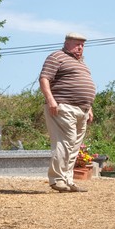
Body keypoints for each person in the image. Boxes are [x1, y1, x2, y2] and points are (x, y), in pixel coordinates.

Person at [39, 32, 96, 193]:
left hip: (82, 110)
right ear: (67, 43)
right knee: (66, 142)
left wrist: (89, 107)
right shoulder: (56, 57)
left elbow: (84, 86)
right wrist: (51, 100)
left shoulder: (82, 63)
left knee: (74, 146)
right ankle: (57, 179)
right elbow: (44, 79)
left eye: (83, 45)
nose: (80, 48)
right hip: (63, 107)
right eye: (77, 44)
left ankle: (67, 180)